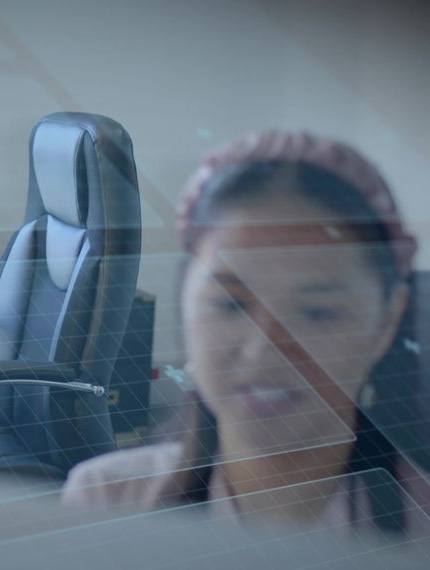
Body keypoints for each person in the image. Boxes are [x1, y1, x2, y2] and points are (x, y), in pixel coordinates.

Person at [62, 131, 429, 535]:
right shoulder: (104, 502)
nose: (262, 351)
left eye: (317, 312)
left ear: (387, 321)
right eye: (231, 304)